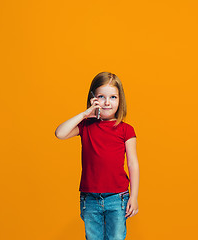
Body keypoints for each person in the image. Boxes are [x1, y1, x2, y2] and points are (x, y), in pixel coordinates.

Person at [55, 72, 140, 240]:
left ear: (120, 99)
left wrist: (134, 196)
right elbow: (60, 133)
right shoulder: (86, 125)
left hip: (118, 198)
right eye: (101, 96)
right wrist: (85, 114)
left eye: (113, 97)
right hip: (90, 198)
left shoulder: (126, 130)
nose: (107, 102)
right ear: (93, 98)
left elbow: (133, 164)